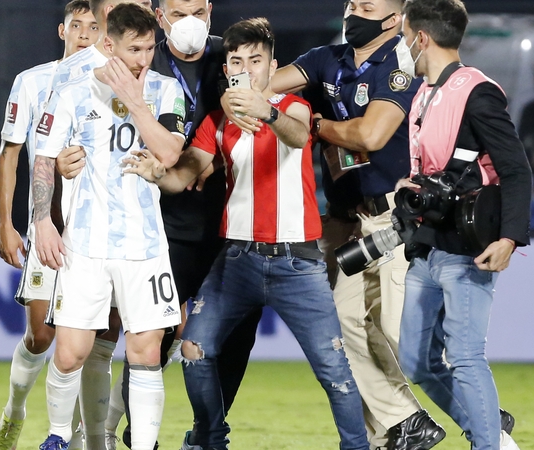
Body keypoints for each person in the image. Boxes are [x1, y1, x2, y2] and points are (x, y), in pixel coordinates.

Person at [124, 17, 369, 450]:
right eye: (236, 60)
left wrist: (267, 110)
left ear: (272, 64)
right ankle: (208, 437)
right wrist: (155, 174)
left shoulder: (292, 105)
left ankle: (357, 446)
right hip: (237, 260)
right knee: (194, 348)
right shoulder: (218, 121)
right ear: (227, 68)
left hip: (298, 259)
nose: (246, 68)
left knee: (333, 368)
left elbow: (296, 136)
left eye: (256, 60)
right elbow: (184, 175)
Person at [246, 1, 445, 447]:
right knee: (340, 328)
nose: (354, 10)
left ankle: (474, 405)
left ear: (393, 20)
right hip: (353, 218)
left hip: (399, 216)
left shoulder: (399, 66)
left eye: (367, 6)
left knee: (397, 333)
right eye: (352, 3)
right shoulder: (326, 59)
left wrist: (313, 123)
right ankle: (399, 425)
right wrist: (243, 76)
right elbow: (262, 87)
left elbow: (370, 137)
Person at [32, 4, 185, 450]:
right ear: (107, 45)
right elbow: (44, 158)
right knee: (70, 353)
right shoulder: (71, 91)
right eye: (133, 49)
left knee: (146, 351)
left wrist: (137, 102)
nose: (142, 59)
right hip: (86, 244)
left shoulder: (165, 90)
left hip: (146, 245)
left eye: (149, 49)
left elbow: (170, 153)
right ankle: (59, 437)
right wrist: (44, 221)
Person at [396, 1, 531, 449]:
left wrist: (510, 237)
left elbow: (515, 169)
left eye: (402, 33)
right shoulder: (424, 92)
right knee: (416, 361)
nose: (402, 42)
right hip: (428, 244)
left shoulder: (477, 91)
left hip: (468, 248)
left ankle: (488, 443)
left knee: (467, 356)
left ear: (421, 38)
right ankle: (490, 432)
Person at [0, 1, 100, 449]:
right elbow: (9, 154)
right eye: (77, 25)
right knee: (41, 335)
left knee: (86, 341)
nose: (85, 34)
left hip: (95, 230)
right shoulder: (32, 81)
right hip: (48, 225)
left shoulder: (113, 81)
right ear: (62, 30)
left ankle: (73, 437)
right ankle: (14, 408)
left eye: (94, 26)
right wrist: (5, 223)